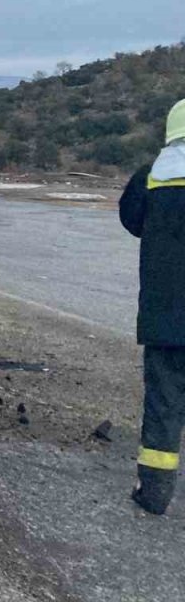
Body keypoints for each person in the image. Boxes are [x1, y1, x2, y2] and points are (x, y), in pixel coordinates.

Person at [119, 98, 185, 515]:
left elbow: (131, 220)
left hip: (167, 319)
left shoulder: (152, 177)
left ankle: (155, 495)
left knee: (164, 405)